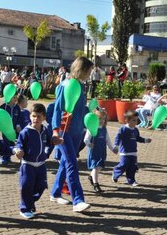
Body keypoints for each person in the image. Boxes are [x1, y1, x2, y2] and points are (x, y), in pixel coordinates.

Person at [50, 57, 93, 212]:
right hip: (64, 130)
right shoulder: (65, 85)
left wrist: (92, 113)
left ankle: (55, 193)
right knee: (71, 163)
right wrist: (55, 130)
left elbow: (80, 109)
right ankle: (78, 200)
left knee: (65, 162)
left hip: (76, 131)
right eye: (88, 71)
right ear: (80, 69)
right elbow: (58, 109)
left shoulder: (81, 86)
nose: (90, 74)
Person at [14, 103, 58, 219]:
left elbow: (50, 143)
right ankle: (25, 208)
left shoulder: (45, 131)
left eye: (39, 116)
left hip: (41, 165)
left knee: (41, 186)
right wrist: (19, 151)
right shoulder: (25, 132)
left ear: (44, 118)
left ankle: (29, 202)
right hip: (28, 165)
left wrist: (47, 152)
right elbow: (19, 145)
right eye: (33, 116)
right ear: (30, 116)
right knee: (26, 187)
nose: (36, 119)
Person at [112, 110, 151, 186]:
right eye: (133, 120)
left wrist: (145, 140)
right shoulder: (123, 129)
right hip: (125, 152)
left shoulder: (136, 130)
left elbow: (138, 138)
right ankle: (116, 172)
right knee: (124, 165)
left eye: (136, 120)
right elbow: (118, 138)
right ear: (127, 120)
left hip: (133, 152)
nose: (135, 122)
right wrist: (116, 146)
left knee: (132, 168)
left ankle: (131, 181)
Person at [84, 109, 117, 193]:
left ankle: (91, 176)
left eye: (103, 118)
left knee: (99, 167)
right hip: (94, 151)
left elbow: (108, 140)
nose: (101, 120)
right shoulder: (91, 129)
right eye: (99, 118)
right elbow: (86, 139)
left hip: (102, 151)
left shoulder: (104, 129)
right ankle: (96, 185)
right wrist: (89, 144)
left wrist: (112, 148)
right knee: (96, 167)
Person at [0, 94, 22, 165]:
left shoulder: (17, 107)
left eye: (16, 97)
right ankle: (3, 158)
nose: (15, 99)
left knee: (12, 143)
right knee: (5, 143)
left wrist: (18, 125)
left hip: (14, 129)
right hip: (5, 129)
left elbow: (19, 117)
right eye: (13, 97)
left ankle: (8, 158)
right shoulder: (3, 107)